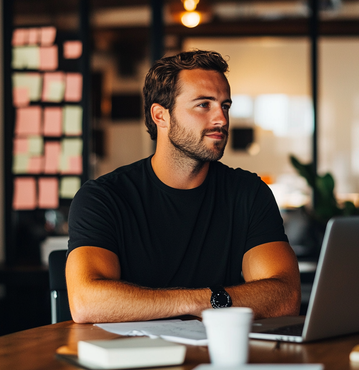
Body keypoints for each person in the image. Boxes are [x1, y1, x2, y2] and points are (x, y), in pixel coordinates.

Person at [66, 49, 301, 323]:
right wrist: (202, 301)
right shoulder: (103, 198)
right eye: (204, 105)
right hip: (131, 360)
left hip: (220, 356)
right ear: (160, 116)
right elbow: (86, 302)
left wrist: (196, 302)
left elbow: (285, 297)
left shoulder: (247, 193)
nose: (221, 120)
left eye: (225, 106)